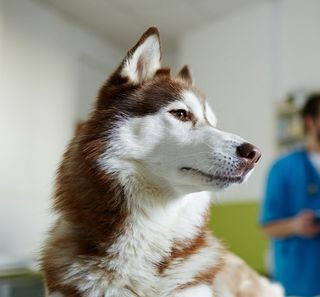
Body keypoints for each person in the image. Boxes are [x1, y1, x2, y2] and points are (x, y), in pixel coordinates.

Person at [260, 93, 320, 297]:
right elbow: (268, 226)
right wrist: (296, 225)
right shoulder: (283, 168)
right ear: (310, 121)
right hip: (298, 280)